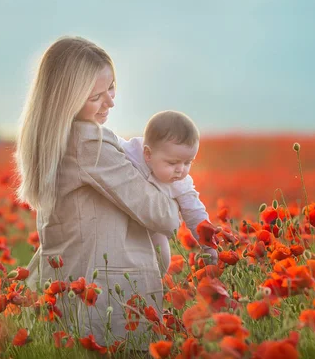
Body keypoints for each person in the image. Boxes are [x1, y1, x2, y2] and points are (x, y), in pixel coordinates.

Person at [14, 36, 180, 349]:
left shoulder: (52, 141)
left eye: (112, 88)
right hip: (107, 304)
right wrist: (171, 179)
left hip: (66, 295)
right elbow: (163, 216)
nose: (111, 102)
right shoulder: (90, 143)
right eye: (96, 96)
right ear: (68, 99)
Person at [116, 111, 218, 274]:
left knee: (162, 256)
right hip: (124, 220)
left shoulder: (181, 184)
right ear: (148, 154)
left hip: (154, 227)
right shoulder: (131, 152)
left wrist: (208, 245)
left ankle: (157, 283)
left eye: (188, 162)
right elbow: (111, 143)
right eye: (173, 163)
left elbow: (195, 211)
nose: (181, 170)